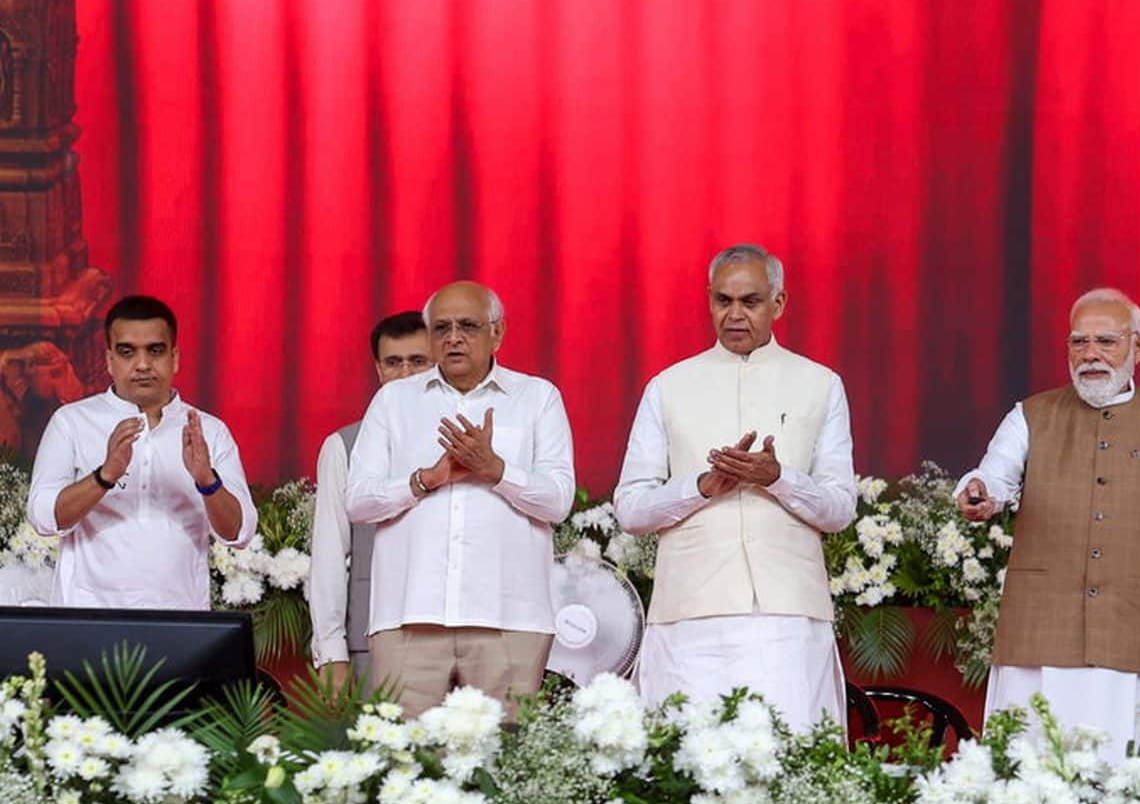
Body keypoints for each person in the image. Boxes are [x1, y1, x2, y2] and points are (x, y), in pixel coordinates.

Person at [953, 287, 1140, 753]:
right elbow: (995, 475)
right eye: (1079, 342)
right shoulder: (1030, 416)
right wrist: (980, 492)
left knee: (1126, 785)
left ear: (1139, 346)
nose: (1090, 355)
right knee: (1026, 779)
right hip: (1037, 646)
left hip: (1136, 646)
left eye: (1106, 341)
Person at [614, 245, 858, 731]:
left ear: (779, 303)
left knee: (790, 751)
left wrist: (778, 479)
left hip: (788, 613)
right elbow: (631, 508)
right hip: (690, 612)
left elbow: (839, 509)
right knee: (687, 756)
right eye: (723, 301)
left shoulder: (820, 384)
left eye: (750, 301)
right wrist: (702, 487)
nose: (735, 314)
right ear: (709, 300)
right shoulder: (668, 386)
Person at [344, 281, 575, 715]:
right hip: (409, 615)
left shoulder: (537, 398)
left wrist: (496, 470)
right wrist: (425, 480)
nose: (454, 338)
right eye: (442, 328)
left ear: (497, 333)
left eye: (468, 326)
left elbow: (558, 500)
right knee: (404, 753)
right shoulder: (394, 400)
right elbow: (357, 501)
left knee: (505, 752)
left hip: (510, 617)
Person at [25, 295, 256, 608]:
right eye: (127, 352)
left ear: (175, 358)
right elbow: (43, 518)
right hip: (87, 617)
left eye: (155, 350)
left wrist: (207, 481)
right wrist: (104, 476)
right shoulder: (72, 422)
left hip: (181, 618)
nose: (143, 364)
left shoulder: (208, 432)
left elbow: (239, 533)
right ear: (109, 361)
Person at [309, 311, 432, 685]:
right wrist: (331, 650)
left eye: (418, 361)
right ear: (379, 370)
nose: (405, 374)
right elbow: (329, 554)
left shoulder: (467, 443)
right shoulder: (344, 446)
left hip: (461, 639)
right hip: (370, 639)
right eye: (394, 363)